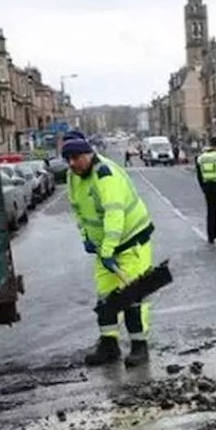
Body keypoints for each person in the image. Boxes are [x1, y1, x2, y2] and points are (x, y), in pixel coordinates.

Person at [62, 131, 156, 368]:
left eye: (75, 157)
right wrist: (87, 238)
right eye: (68, 159)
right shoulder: (73, 176)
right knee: (105, 297)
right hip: (104, 247)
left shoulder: (106, 175)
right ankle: (109, 344)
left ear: (88, 153)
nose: (72, 163)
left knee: (132, 295)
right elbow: (79, 211)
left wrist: (108, 249)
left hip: (131, 242)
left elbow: (115, 215)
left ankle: (139, 346)